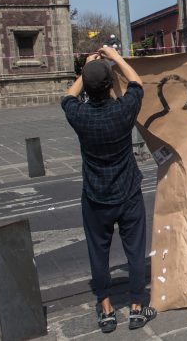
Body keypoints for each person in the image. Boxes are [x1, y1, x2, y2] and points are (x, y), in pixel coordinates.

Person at [62, 47, 156, 333]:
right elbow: (137, 83)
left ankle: (106, 310)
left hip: (95, 196)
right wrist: (115, 57)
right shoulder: (122, 110)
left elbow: (67, 97)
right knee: (135, 251)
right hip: (128, 191)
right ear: (109, 86)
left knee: (98, 253)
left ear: (87, 90)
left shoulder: (79, 116)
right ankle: (138, 307)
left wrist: (85, 70)